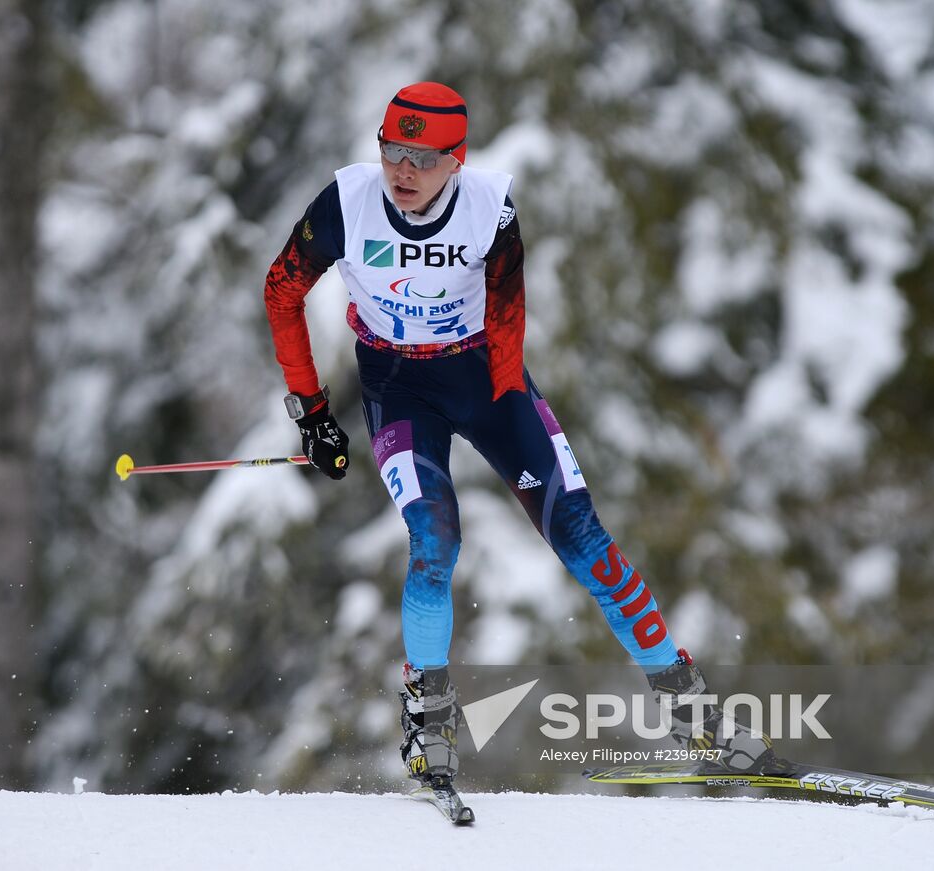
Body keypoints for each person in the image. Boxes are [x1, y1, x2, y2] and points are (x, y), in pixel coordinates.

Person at [263, 82, 779, 791]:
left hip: (487, 379)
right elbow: (282, 289)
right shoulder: (346, 203)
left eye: (423, 156)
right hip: (396, 389)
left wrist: (514, 421)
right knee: (434, 541)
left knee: (584, 539)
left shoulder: (488, 208)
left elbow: (507, 319)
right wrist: (313, 410)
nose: (402, 171)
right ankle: (426, 717)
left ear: (457, 159)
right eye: (392, 150)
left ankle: (692, 710)